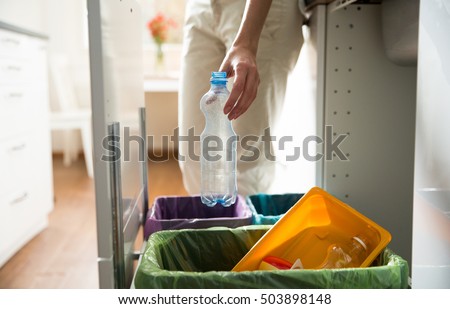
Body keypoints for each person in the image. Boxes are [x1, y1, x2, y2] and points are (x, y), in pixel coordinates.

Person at [178, 0, 305, 196]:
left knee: (245, 157)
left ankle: (249, 225)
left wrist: (247, 42)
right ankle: (211, 224)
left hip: (259, 11)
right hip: (202, 7)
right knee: (195, 154)